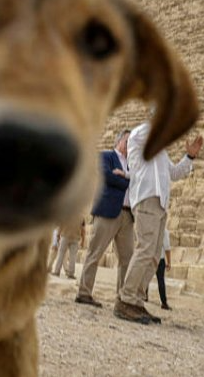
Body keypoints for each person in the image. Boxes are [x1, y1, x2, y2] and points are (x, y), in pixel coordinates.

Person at [114, 120, 203, 325]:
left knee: (154, 255)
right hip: (146, 198)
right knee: (145, 249)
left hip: (160, 204)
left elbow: (175, 173)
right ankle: (126, 298)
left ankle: (135, 301)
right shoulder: (138, 136)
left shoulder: (161, 153)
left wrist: (189, 156)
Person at [76, 130, 135, 308]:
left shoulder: (132, 164)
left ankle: (123, 298)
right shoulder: (106, 156)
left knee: (127, 258)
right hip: (108, 211)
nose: (130, 144)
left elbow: (138, 182)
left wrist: (124, 176)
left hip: (127, 214)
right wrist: (128, 181)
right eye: (127, 140)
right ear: (118, 141)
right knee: (95, 253)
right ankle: (84, 292)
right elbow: (107, 176)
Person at [153, 228, 172, 310]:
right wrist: (169, 262)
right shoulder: (164, 231)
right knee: (161, 281)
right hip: (160, 258)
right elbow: (167, 248)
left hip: (149, 256)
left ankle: (144, 296)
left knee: (145, 277)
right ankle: (163, 303)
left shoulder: (151, 227)